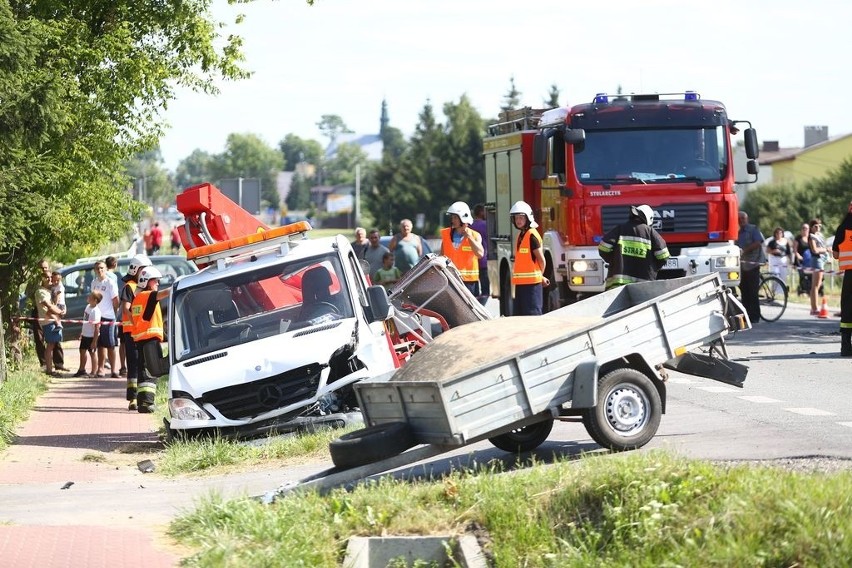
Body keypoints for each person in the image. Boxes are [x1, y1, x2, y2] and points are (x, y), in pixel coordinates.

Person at [599, 204, 670, 289]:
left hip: (617, 285)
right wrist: (653, 267)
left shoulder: (619, 229)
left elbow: (603, 248)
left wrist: (614, 260)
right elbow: (663, 256)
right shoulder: (651, 233)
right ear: (649, 218)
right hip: (643, 287)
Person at [131, 266, 169, 413]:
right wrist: (180, 286)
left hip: (141, 339)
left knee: (143, 370)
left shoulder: (138, 298)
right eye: (156, 281)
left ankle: (142, 403)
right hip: (149, 339)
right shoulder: (148, 295)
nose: (158, 284)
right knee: (151, 371)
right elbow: (165, 293)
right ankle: (147, 403)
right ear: (147, 282)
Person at [120, 254, 151, 409]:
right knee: (133, 363)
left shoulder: (144, 287)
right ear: (136, 270)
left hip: (142, 332)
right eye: (144, 269)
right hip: (132, 332)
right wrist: (136, 324)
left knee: (142, 363)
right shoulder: (130, 287)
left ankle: (142, 398)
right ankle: (133, 398)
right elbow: (126, 309)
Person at [509, 201, 549, 315]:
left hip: (532, 286)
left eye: (521, 218)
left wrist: (540, 276)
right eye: (516, 218)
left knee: (532, 316)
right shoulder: (521, 235)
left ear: (528, 218)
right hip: (521, 284)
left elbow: (541, 260)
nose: (518, 220)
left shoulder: (531, 235)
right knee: (521, 317)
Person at [28, 260, 66, 371]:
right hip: (41, 309)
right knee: (40, 338)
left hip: (54, 308)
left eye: (45, 267)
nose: (44, 270)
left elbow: (60, 294)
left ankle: (58, 363)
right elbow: (29, 294)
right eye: (41, 268)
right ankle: (45, 364)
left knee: (55, 339)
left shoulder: (53, 277)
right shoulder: (36, 281)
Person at [440, 201, 484, 295]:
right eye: (452, 217)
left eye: (455, 217)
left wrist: (470, 238)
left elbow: (480, 254)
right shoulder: (446, 234)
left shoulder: (475, 235)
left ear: (463, 218)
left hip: (469, 282)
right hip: (450, 279)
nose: (453, 220)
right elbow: (441, 256)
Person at [90, 260, 120, 378]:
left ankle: (113, 370)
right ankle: (100, 369)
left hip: (108, 316)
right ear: (95, 270)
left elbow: (116, 300)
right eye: (97, 268)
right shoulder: (94, 282)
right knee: (100, 343)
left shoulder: (110, 282)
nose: (100, 270)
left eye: (102, 268)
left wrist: (114, 312)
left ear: (106, 269)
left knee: (110, 344)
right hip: (97, 316)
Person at [737, 211, 765, 324]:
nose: (741, 220)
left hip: (753, 264)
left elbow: (758, 243)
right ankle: (746, 315)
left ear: (747, 219)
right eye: (739, 218)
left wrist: (744, 250)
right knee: (744, 290)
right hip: (742, 266)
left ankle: (754, 316)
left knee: (753, 291)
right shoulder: (738, 232)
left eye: (743, 218)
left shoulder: (753, 229)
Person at [832, 200, 852, 356]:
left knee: (847, 310)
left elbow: (836, 255)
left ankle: (845, 347)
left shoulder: (842, 228)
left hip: (850, 276)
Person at [35, 274, 64, 377]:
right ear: (41, 279)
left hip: (52, 319)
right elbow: (48, 306)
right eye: (47, 277)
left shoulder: (49, 291)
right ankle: (49, 370)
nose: (49, 279)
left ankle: (51, 368)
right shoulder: (40, 292)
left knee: (53, 344)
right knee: (50, 345)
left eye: (50, 277)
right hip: (48, 321)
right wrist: (60, 312)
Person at [75, 291, 103, 377]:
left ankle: (93, 372)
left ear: (95, 300)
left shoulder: (96, 311)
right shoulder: (88, 307)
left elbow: (97, 327)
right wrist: (82, 332)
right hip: (85, 334)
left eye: (90, 296)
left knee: (92, 353)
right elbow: (85, 321)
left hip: (91, 336)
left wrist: (94, 341)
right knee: (82, 351)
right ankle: (82, 369)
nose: (88, 297)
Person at [808, 218, 830, 316]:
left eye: (819, 226)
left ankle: (814, 307)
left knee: (818, 284)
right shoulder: (811, 236)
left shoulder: (820, 235)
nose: (818, 228)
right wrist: (825, 250)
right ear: (811, 227)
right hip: (817, 260)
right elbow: (815, 250)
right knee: (815, 285)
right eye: (815, 226)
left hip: (822, 259)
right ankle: (814, 308)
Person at [471, 204, 490, 305]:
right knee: (485, 290)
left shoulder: (470, 226)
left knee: (475, 291)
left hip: (472, 262)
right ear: (481, 212)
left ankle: (475, 307)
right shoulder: (486, 225)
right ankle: (482, 308)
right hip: (484, 261)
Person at [766, 227, 793, 292]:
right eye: (777, 233)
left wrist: (791, 261)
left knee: (783, 275)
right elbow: (767, 250)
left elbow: (788, 252)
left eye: (780, 233)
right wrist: (774, 251)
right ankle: (774, 290)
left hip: (783, 259)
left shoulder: (786, 241)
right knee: (775, 274)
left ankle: (782, 291)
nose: (779, 234)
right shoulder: (772, 242)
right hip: (774, 259)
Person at [793, 222, 812, 296]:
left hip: (809, 261)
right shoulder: (798, 238)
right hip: (800, 261)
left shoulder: (810, 238)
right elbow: (795, 250)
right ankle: (802, 289)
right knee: (802, 275)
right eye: (803, 228)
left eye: (806, 228)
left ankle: (809, 290)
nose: (805, 230)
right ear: (801, 229)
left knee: (811, 276)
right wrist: (799, 256)